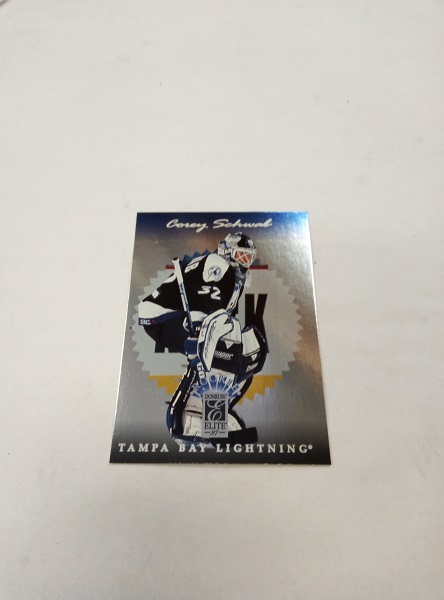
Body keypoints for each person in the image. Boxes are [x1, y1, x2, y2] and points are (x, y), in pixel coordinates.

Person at [138, 232, 267, 444]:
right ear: (227, 251)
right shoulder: (218, 263)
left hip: (181, 318)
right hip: (161, 315)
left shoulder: (235, 278)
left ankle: (213, 419)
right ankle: (191, 420)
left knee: (243, 358)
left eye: (248, 257)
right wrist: (204, 331)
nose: (244, 261)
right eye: (240, 255)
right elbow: (206, 301)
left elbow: (221, 315)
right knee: (221, 347)